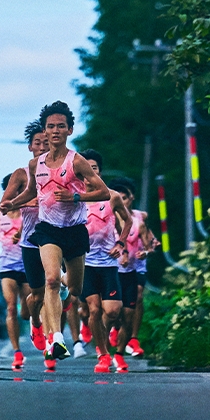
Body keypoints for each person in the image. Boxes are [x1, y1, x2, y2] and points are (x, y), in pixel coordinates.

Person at [1, 101, 109, 369]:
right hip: (47, 230)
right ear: (45, 131)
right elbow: (33, 193)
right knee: (50, 280)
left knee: (73, 289)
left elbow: (103, 192)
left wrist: (76, 196)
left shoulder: (77, 161)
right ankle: (57, 338)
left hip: (74, 230)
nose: (55, 131)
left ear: (69, 130)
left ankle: (62, 294)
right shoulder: (35, 163)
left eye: (61, 126)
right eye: (51, 126)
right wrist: (12, 204)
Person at [80, 149, 132, 373]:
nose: (90, 172)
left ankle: (100, 334)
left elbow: (127, 222)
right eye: (86, 169)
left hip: (109, 263)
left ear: (99, 171)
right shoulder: (76, 198)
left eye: (94, 168)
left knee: (112, 311)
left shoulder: (112, 196)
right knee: (93, 309)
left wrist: (120, 244)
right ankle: (102, 354)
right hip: (85, 264)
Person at [0, 120, 49, 352]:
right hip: (32, 241)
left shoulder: (64, 170)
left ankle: (53, 343)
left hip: (58, 237)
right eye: (37, 143)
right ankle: (36, 324)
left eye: (46, 142)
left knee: (60, 289)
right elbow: (5, 204)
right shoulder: (22, 174)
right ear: (30, 147)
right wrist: (32, 201)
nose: (42, 146)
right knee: (37, 299)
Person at [112, 178, 159, 357]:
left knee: (137, 297)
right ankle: (115, 329)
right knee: (114, 307)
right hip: (114, 267)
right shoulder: (108, 219)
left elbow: (150, 240)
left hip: (136, 266)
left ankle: (133, 338)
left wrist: (150, 248)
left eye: (126, 197)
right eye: (119, 197)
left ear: (131, 198)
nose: (123, 201)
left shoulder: (140, 217)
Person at [0, 174, 32, 369]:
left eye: (21, 190)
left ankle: (33, 324)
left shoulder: (30, 212)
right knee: (11, 308)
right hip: (7, 267)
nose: (17, 194)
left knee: (26, 312)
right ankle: (17, 352)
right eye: (13, 190)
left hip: (27, 266)